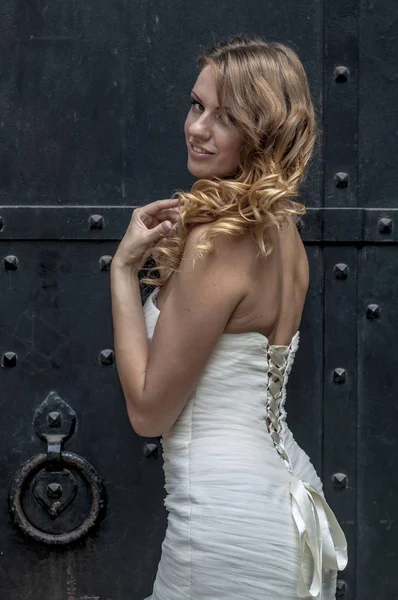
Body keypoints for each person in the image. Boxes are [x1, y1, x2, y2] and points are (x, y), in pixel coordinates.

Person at [110, 34, 348, 600]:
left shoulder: (222, 239)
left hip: (223, 525)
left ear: (263, 132)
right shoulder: (283, 233)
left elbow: (148, 413)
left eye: (226, 117)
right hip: (281, 498)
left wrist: (123, 271)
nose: (197, 127)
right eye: (197, 105)